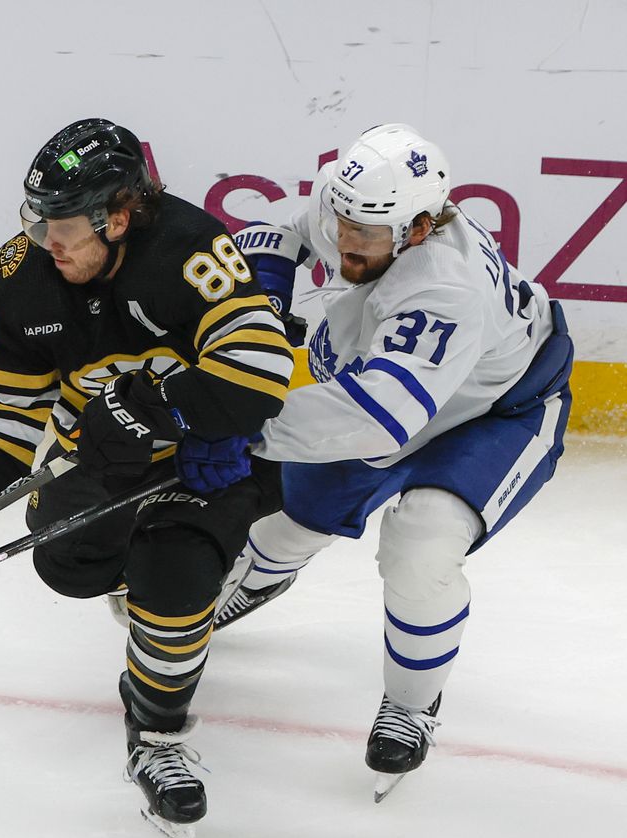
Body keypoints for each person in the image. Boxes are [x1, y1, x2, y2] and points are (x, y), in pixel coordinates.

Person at [0, 118, 298, 838]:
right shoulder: (19, 275)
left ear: (119, 214)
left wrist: (165, 410)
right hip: (98, 461)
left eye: (66, 225)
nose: (49, 240)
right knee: (66, 562)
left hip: (203, 459)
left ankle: (157, 732)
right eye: (39, 220)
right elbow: (0, 404)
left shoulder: (191, 250)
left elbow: (261, 369)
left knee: (175, 571)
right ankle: (139, 586)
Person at [176, 123, 574, 800]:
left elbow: (378, 417)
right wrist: (266, 304)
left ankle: (412, 703)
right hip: (390, 389)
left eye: (364, 232)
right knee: (293, 519)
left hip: (499, 413)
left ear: (419, 228)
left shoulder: (446, 286)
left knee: (421, 544)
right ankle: (260, 578)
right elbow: (280, 233)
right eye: (342, 219)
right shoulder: (361, 207)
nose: (344, 240)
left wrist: (236, 424)